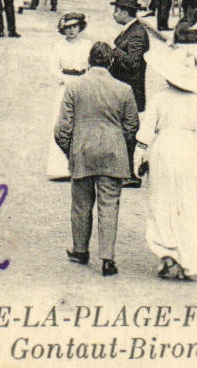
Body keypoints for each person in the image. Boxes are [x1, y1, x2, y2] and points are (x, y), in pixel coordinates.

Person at [55, 41, 139, 278]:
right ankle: (107, 259)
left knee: (81, 205)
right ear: (111, 62)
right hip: (113, 154)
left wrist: (70, 151)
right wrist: (118, 144)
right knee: (109, 205)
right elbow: (132, 126)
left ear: (89, 61)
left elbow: (61, 129)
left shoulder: (74, 87)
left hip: (82, 152)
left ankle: (80, 250)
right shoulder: (124, 89)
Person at [137, 48, 197, 281]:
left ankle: (166, 252)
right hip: (189, 152)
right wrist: (194, 140)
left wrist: (140, 157)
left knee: (162, 202)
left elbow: (145, 134)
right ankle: (188, 261)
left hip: (164, 150)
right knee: (189, 205)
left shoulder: (159, 99)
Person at [47, 12, 93, 180]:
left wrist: (85, 80)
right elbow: (53, 67)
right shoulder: (58, 45)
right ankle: (60, 168)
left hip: (82, 84)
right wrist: (64, 79)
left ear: (80, 27)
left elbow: (91, 65)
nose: (71, 31)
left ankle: (82, 167)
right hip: (65, 85)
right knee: (63, 123)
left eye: (74, 27)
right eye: (67, 28)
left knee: (82, 123)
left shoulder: (87, 45)